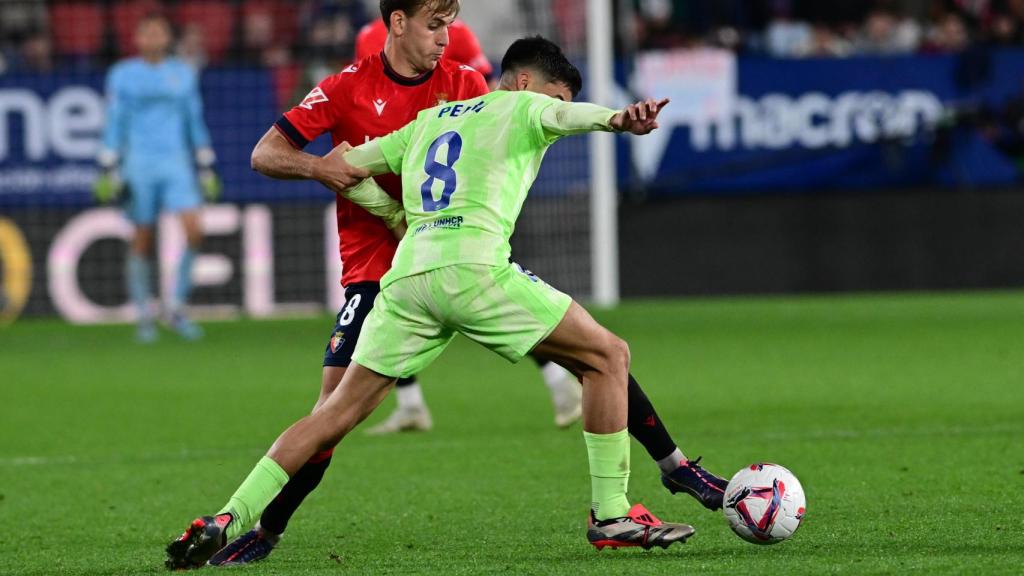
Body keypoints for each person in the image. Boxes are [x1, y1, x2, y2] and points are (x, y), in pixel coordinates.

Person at [165, 35, 729, 569]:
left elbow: (349, 169)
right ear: (526, 83)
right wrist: (617, 119)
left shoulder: (427, 122)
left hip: (406, 278)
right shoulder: (521, 105)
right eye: (555, 94)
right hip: (473, 271)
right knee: (607, 356)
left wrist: (387, 213)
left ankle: (228, 514)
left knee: (333, 413)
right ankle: (611, 514)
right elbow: (565, 116)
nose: (556, 109)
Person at [352, 4, 569, 436]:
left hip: (457, 179)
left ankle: (561, 380)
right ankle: (410, 402)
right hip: (401, 165)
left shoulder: (460, 36)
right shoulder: (365, 39)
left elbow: (490, 97)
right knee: (391, 289)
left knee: (477, 284)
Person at [94, 13, 221, 342]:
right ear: (137, 39)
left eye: (158, 32)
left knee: (194, 231)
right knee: (142, 238)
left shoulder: (182, 73)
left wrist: (205, 162)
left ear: (167, 38)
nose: (152, 37)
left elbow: (193, 118)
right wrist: (108, 163)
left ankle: (175, 307)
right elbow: (115, 119)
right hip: (139, 164)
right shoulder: (123, 74)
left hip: (176, 163)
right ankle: (144, 316)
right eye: (146, 32)